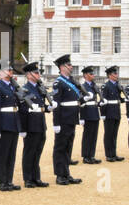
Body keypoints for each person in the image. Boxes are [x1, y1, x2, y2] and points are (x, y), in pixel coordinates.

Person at [50, 55, 81, 185]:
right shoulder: (59, 83)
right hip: (63, 120)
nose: (71, 66)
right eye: (69, 65)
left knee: (68, 146)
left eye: (71, 64)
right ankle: (59, 175)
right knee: (60, 147)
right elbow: (56, 105)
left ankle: (66, 173)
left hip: (72, 119)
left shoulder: (72, 81)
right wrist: (56, 123)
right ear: (62, 67)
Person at [0, 59, 20, 190]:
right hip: (4, 124)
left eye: (11, 70)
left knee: (11, 155)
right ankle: (1, 181)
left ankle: (9, 180)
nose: (10, 72)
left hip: (13, 123)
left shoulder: (12, 86)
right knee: (2, 155)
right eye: (8, 70)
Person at [18, 62, 48, 188]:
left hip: (40, 123)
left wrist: (47, 107)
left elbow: (41, 105)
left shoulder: (39, 88)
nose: (38, 75)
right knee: (29, 152)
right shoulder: (24, 89)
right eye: (36, 73)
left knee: (37, 152)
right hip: (30, 125)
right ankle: (28, 179)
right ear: (29, 75)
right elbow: (22, 110)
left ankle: (36, 177)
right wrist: (23, 128)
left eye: (38, 72)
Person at [99, 66, 124, 162]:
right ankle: (109, 155)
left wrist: (125, 99)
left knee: (114, 134)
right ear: (110, 75)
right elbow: (103, 100)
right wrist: (103, 114)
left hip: (116, 111)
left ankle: (114, 153)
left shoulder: (117, 85)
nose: (117, 75)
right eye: (115, 74)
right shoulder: (106, 86)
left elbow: (118, 99)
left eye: (117, 73)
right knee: (109, 134)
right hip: (109, 112)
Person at [78, 65, 101, 164]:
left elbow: (95, 99)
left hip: (95, 112)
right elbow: (80, 102)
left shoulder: (93, 86)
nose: (93, 75)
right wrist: (81, 117)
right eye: (91, 74)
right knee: (87, 135)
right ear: (85, 75)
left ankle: (91, 155)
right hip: (87, 113)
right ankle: (86, 156)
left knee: (94, 135)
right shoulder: (83, 87)